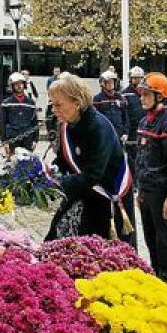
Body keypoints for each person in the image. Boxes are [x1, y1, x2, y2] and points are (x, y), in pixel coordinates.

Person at [45, 73, 136, 247]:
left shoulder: (98, 128)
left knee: (103, 251)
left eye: (58, 105)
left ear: (77, 103)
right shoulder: (69, 124)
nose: (54, 110)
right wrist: (50, 172)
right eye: (52, 104)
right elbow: (64, 159)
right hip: (84, 193)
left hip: (108, 195)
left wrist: (57, 183)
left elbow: (93, 174)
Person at [135, 72, 167, 285]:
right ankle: (158, 277)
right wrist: (140, 190)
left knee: (166, 240)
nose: (142, 98)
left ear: (159, 96)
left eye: (147, 94)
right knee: (151, 238)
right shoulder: (145, 121)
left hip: (162, 193)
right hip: (147, 190)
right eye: (142, 94)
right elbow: (140, 159)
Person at [0, 72, 39, 155]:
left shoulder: (30, 102)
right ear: (12, 86)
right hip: (12, 137)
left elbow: (35, 122)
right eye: (16, 84)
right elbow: (3, 123)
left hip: (27, 137)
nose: (19, 86)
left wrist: (35, 139)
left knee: (27, 162)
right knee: (13, 163)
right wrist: (4, 141)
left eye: (21, 83)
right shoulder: (6, 103)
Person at [122, 66, 146, 177]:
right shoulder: (125, 94)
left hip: (145, 129)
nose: (138, 80)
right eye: (135, 78)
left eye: (140, 78)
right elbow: (124, 113)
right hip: (132, 130)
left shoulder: (146, 92)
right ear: (131, 79)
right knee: (132, 157)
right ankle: (134, 181)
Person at [93, 70, 129, 141]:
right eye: (108, 82)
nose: (111, 84)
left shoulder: (119, 97)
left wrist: (126, 132)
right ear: (103, 83)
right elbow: (95, 118)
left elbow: (125, 116)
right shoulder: (98, 98)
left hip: (119, 135)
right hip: (104, 135)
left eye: (112, 82)